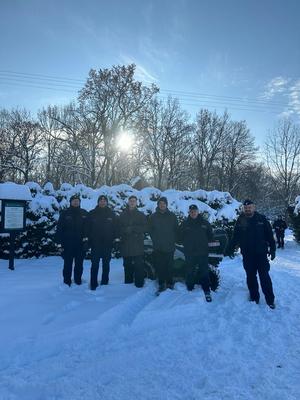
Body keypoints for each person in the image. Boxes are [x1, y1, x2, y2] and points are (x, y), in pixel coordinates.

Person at [228, 199, 276, 309]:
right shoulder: (240, 220)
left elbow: (269, 235)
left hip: (261, 254)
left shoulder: (262, 219)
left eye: (249, 207)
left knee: (264, 276)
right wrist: (230, 248)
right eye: (246, 208)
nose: (247, 209)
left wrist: (273, 249)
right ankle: (254, 297)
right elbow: (235, 236)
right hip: (247, 254)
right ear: (243, 209)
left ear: (253, 207)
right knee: (250, 277)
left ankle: (270, 300)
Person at [178, 204, 214, 302]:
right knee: (189, 271)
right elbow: (179, 237)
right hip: (189, 253)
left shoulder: (205, 223)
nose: (193, 213)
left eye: (195, 211)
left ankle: (206, 289)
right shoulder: (184, 224)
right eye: (191, 211)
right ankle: (190, 287)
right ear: (189, 212)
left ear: (198, 212)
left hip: (203, 252)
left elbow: (210, 236)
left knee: (204, 272)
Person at [55, 194, 88, 286]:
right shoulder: (65, 213)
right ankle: (66, 281)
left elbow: (88, 229)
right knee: (67, 264)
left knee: (79, 264)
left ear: (80, 202)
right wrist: (59, 244)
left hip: (80, 244)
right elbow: (59, 229)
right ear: (70, 202)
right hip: (67, 244)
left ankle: (78, 280)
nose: (76, 202)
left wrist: (87, 241)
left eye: (77, 200)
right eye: (74, 200)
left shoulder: (84, 213)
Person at [86, 195, 117, 290]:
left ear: (107, 202)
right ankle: (93, 283)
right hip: (95, 244)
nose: (102, 202)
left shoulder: (112, 214)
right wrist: (87, 240)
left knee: (106, 264)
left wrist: (115, 240)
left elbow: (116, 228)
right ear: (98, 202)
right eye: (101, 200)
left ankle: (104, 282)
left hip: (107, 244)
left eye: (104, 200)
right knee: (94, 264)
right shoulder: (92, 213)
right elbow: (87, 228)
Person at [148, 197, 178, 293]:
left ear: (166, 204)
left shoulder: (172, 216)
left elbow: (176, 229)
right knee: (160, 266)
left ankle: (169, 283)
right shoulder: (153, 217)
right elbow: (150, 230)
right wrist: (155, 240)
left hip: (170, 246)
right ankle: (161, 284)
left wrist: (173, 240)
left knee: (169, 266)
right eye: (160, 203)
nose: (162, 205)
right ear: (158, 205)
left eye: (164, 203)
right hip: (158, 246)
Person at [118, 195, 147, 288]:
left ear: (136, 203)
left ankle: (139, 284)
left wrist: (134, 228)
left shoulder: (141, 215)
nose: (132, 202)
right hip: (126, 243)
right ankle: (128, 284)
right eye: (131, 201)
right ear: (128, 202)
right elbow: (118, 228)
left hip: (137, 243)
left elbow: (145, 227)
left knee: (139, 265)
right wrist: (125, 230)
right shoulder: (122, 215)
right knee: (127, 265)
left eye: (134, 201)